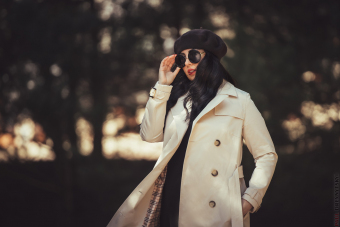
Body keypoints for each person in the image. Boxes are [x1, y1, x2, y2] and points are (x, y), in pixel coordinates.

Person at [107, 28, 278, 227]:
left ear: (210, 58)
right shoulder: (175, 97)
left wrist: (249, 201)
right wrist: (162, 86)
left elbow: (266, 155)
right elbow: (149, 135)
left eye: (194, 55)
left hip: (218, 210)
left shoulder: (240, 100)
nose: (187, 62)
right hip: (172, 200)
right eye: (181, 58)